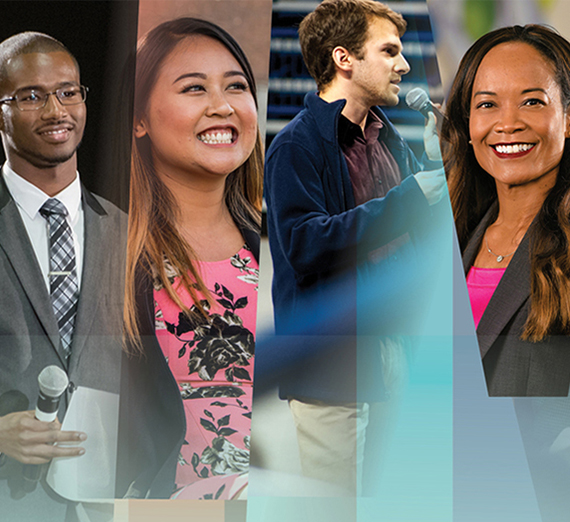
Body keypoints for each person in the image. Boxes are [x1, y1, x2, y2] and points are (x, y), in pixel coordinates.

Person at [263, 0, 447, 494]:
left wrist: (435, 164)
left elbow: (419, 237)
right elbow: (304, 245)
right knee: (333, 504)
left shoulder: (387, 140)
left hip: (397, 353)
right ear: (344, 59)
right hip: (334, 367)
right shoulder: (296, 147)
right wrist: (411, 198)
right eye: (389, 51)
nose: (404, 65)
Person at [118, 18, 262, 500]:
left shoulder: (285, 248)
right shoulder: (111, 254)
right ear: (139, 118)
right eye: (194, 88)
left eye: (236, 86)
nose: (222, 107)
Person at [0, 32, 125, 520]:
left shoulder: (127, 231)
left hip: (105, 499)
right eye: (31, 96)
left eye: (68, 91)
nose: (56, 110)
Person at [442, 24, 570, 396]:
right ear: (467, 124)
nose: (508, 124)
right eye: (487, 104)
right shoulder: (454, 233)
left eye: (532, 101)